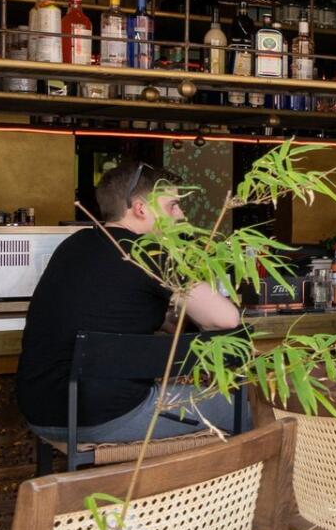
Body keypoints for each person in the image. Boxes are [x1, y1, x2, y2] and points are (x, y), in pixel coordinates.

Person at [16, 161, 241, 448]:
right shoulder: (148, 251)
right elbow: (225, 320)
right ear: (141, 209)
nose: (181, 214)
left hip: (40, 413)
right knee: (245, 408)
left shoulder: (74, 244)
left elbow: (109, 308)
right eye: (173, 205)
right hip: (109, 416)